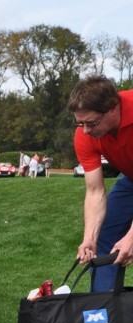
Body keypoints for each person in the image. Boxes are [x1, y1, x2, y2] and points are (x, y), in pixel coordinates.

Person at [67, 75, 133, 290]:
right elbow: (95, 191)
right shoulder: (84, 134)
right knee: (104, 235)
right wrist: (89, 237)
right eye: (79, 122)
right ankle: (102, 314)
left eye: (91, 123)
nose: (85, 130)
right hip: (130, 179)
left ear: (113, 108)